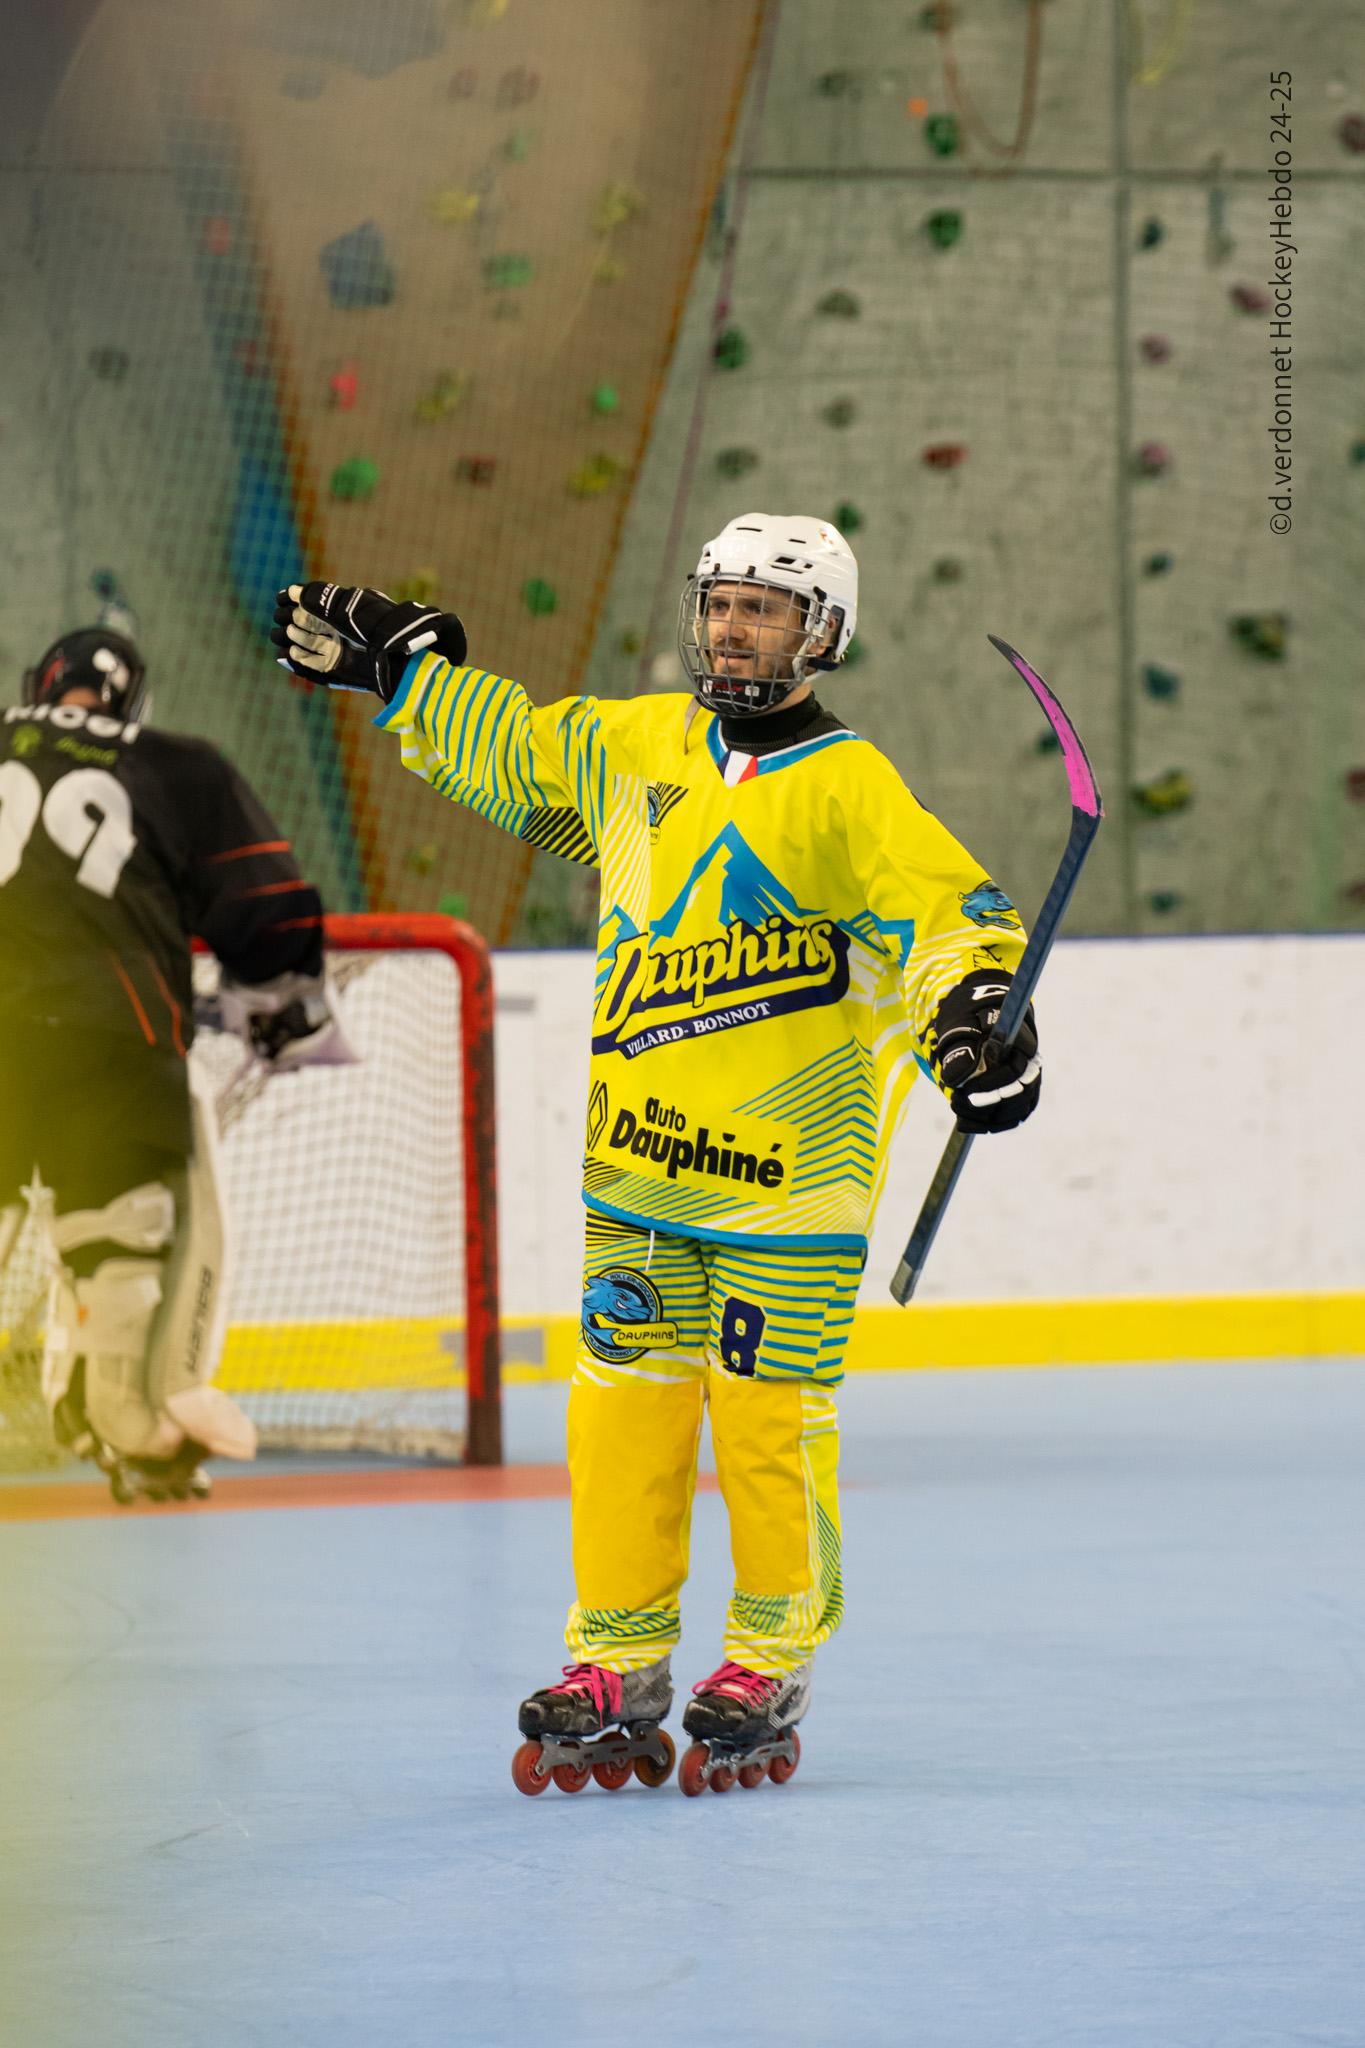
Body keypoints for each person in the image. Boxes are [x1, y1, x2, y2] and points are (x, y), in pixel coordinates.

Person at [271, 514, 1040, 1789]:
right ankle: (618, 1653)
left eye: (768, 608)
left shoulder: (852, 785)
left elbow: (950, 921)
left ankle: (770, 1649)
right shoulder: (641, 747)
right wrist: (401, 669)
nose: (736, 626)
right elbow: (515, 747)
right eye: (722, 601)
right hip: (637, 1168)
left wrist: (976, 1016)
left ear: (825, 635)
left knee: (765, 1423)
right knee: (620, 1416)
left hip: (791, 1186)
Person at [0, 624, 334, 1503]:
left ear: (37, 686)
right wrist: (283, 1012)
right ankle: (125, 1422)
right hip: (115, 1028)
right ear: (132, 704)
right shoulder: (177, 765)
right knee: (121, 1233)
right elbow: (267, 911)